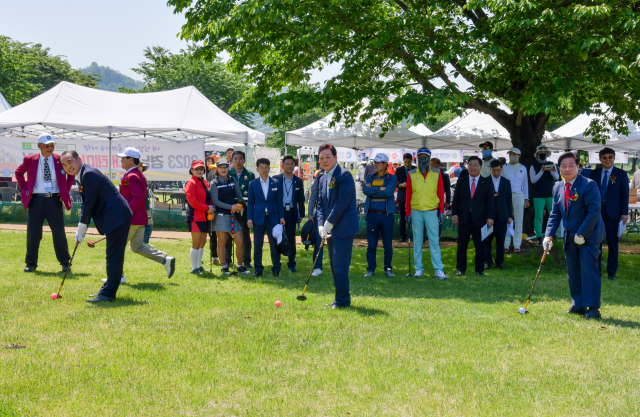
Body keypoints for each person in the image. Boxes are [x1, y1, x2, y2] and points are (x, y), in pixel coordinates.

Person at [60, 150, 132, 302]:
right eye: (64, 165)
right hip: (115, 216)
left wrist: (81, 229)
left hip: (117, 216)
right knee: (112, 255)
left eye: (70, 162)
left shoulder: (89, 174)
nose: (68, 167)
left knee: (114, 256)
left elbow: (88, 204)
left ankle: (108, 294)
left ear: (79, 159)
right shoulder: (84, 174)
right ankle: (107, 290)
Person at [544, 152, 605, 319]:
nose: (567, 168)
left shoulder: (588, 184)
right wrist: (548, 236)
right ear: (559, 168)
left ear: (578, 167)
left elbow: (594, 212)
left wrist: (582, 233)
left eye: (571, 165)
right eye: (563, 166)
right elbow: (555, 214)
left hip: (590, 234)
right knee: (573, 271)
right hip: (570, 235)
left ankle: (593, 308)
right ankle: (578, 304)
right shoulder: (557, 187)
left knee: (589, 270)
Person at [16, 134, 74, 273]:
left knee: (59, 233)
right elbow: (18, 173)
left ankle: (65, 263)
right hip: (36, 200)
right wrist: (26, 189)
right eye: (46, 145)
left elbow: (71, 174)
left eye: (52, 145)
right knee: (33, 233)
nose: (50, 148)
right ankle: (31, 263)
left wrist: (64, 190)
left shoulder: (60, 160)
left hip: (54, 200)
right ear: (39, 146)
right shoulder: (30, 159)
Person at [116, 147, 176, 282]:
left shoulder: (132, 175)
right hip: (139, 219)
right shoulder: (136, 174)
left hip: (131, 219)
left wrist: (126, 212)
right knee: (138, 247)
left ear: (130, 160)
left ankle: (117, 276)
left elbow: (137, 198)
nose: (121, 160)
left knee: (116, 246)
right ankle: (165, 259)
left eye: (123, 158)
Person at [317, 144, 359, 309]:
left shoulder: (344, 175)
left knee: (340, 266)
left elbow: (342, 202)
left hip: (344, 227)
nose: (325, 160)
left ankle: (342, 301)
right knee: (334, 266)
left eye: (328, 157)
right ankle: (339, 299)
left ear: (335, 158)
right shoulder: (321, 178)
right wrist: (321, 225)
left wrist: (329, 222)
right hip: (329, 228)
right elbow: (320, 205)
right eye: (321, 158)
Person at [587, 147, 629, 280]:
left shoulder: (621, 174)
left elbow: (625, 195)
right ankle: (597, 270)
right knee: (596, 242)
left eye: (610, 157)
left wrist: (624, 213)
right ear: (600, 159)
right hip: (597, 212)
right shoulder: (594, 173)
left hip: (614, 212)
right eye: (604, 157)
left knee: (612, 243)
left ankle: (612, 272)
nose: (607, 160)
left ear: (614, 158)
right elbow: (589, 193)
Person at [405, 149, 447, 279]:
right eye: (420, 156)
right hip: (416, 210)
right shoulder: (411, 173)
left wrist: (441, 210)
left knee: (434, 241)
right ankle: (419, 269)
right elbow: (408, 194)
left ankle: (438, 269)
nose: (423, 159)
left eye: (426, 157)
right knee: (417, 241)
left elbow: (440, 192)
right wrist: (407, 212)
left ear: (429, 159)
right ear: (416, 158)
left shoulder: (437, 173)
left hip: (431, 210)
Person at [452, 156, 495, 276]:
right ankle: (460, 269)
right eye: (470, 165)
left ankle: (479, 269)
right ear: (467, 167)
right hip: (464, 218)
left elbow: (490, 202)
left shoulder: (486, 182)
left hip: (480, 219)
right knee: (462, 245)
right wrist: (455, 214)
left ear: (480, 167)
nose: (473, 168)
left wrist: (490, 217)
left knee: (480, 246)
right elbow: (456, 201)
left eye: (475, 165)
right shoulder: (461, 181)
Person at [210, 158, 249, 275]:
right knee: (221, 242)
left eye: (225, 166)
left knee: (240, 241)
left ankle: (240, 265)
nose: (223, 169)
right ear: (217, 169)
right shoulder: (214, 183)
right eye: (220, 167)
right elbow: (215, 201)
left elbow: (238, 195)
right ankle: (224, 266)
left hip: (234, 215)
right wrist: (230, 206)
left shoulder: (233, 180)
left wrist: (238, 204)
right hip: (221, 216)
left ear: (229, 168)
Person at [247, 158, 285, 277]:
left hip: (273, 218)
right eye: (261, 167)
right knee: (258, 245)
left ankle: (276, 268)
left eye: (266, 167)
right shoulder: (253, 184)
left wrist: (282, 217)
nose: (264, 169)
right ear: (257, 169)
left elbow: (279, 202)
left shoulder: (276, 182)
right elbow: (250, 203)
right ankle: (258, 269)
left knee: (274, 245)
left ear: (270, 168)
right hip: (258, 218)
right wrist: (249, 218)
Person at [362, 154, 398, 278]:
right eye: (374, 163)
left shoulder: (392, 178)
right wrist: (380, 189)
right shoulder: (370, 176)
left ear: (385, 165)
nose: (375, 165)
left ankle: (388, 268)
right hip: (372, 215)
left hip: (386, 216)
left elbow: (389, 192)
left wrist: (374, 190)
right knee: (371, 245)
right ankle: (370, 269)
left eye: (378, 163)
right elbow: (365, 191)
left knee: (388, 245)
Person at [274, 156, 305, 273]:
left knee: (291, 238)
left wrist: (302, 213)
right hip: (279, 212)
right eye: (287, 164)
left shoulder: (298, 180)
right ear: (282, 165)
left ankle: (292, 263)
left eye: (292, 164)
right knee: (277, 236)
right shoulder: (276, 179)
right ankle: (277, 262)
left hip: (292, 212)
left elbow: (301, 199)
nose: (290, 166)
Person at [185, 160, 214, 275]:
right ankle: (194, 268)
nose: (199, 171)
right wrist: (207, 208)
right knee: (196, 242)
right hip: (195, 216)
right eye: (196, 169)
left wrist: (211, 208)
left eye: (201, 169)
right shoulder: (191, 183)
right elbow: (193, 202)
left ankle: (199, 266)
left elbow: (208, 197)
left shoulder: (204, 182)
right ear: (191, 170)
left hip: (205, 216)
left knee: (202, 242)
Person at [228, 151, 255, 268]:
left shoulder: (249, 175)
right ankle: (228, 260)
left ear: (244, 160)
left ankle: (247, 260)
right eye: (236, 159)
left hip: (245, 209)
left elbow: (252, 194)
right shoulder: (228, 174)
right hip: (230, 209)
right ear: (232, 160)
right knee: (228, 235)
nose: (238, 161)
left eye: (240, 159)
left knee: (245, 235)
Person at [484, 160, 512, 270]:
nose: (496, 173)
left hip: (502, 215)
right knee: (487, 241)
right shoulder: (485, 181)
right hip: (489, 216)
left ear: (502, 169)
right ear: (490, 169)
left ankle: (500, 262)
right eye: (494, 170)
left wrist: (509, 215)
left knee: (501, 241)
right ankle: (488, 262)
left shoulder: (506, 182)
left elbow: (508, 200)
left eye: (498, 170)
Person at [500, 147, 529, 253]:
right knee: (506, 219)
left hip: (519, 195)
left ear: (518, 156)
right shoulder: (505, 167)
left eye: (514, 154)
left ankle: (517, 244)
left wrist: (526, 198)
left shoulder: (523, 168)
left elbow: (525, 184)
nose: (512, 156)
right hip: (506, 195)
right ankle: (506, 243)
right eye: (510, 154)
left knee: (518, 220)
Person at [530, 144, 559, 246]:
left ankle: (551, 234)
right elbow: (533, 180)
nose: (543, 154)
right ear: (537, 154)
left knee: (552, 215)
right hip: (538, 195)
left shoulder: (552, 164)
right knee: (538, 217)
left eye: (544, 153)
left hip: (551, 194)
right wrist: (542, 171)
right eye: (540, 153)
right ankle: (539, 236)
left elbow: (557, 178)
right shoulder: (533, 166)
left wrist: (553, 171)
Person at [307, 169, 325, 276]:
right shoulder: (319, 178)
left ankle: (337, 266)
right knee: (319, 242)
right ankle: (317, 267)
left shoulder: (338, 177)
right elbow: (313, 197)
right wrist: (310, 213)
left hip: (335, 214)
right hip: (320, 215)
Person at [395, 153, 415, 242]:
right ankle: (402, 236)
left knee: (415, 218)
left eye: (409, 162)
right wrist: (400, 185)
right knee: (402, 217)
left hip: (414, 197)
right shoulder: (399, 170)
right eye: (406, 162)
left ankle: (416, 236)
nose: (407, 164)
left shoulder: (415, 169)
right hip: (402, 197)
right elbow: (394, 183)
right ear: (403, 161)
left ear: (412, 161)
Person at [139, 162, 155, 245]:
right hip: (140, 206)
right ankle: (143, 243)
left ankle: (144, 243)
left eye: (140, 166)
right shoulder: (134, 177)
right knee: (147, 226)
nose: (139, 168)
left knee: (148, 225)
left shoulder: (143, 178)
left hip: (145, 205)